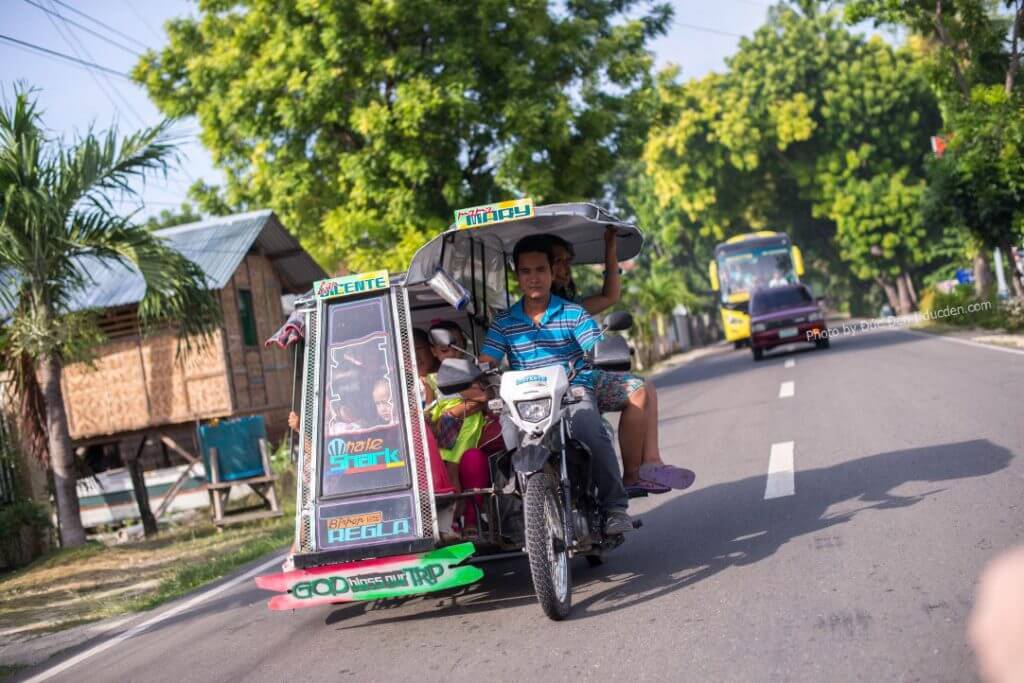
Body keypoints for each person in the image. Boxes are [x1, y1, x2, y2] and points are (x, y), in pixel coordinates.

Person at [479, 234, 634, 535]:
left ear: (552, 272)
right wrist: (477, 369)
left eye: (540, 270)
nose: (533, 278)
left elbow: (596, 346)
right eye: (526, 271)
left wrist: (604, 353)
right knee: (506, 432)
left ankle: (615, 506)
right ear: (517, 275)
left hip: (571, 396)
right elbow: (488, 360)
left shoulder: (574, 314)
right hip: (524, 402)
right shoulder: (503, 323)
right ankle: (516, 501)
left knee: (590, 427)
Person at [546, 232, 695, 496]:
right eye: (558, 261)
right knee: (638, 388)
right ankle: (635, 473)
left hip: (582, 383)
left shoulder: (572, 307)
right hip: (547, 393)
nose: (565, 268)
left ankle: (650, 463)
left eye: (567, 261)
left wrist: (610, 248)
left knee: (645, 385)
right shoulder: (518, 316)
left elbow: (610, 296)